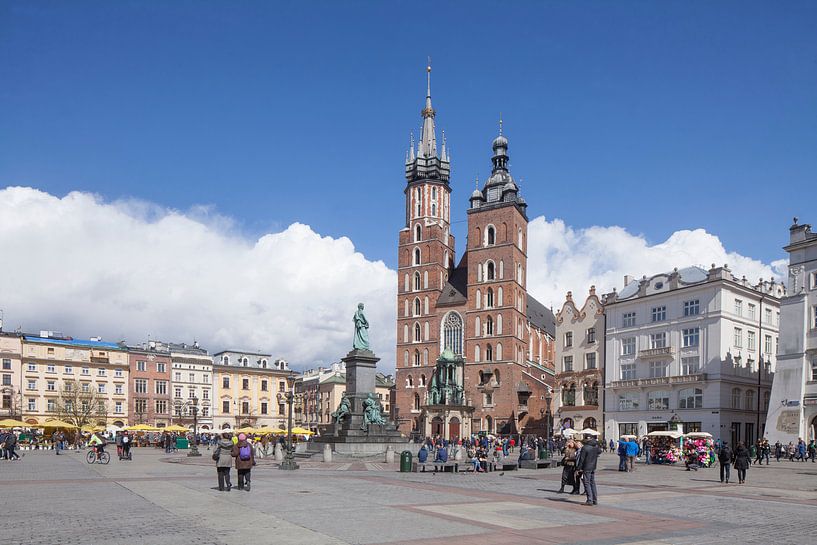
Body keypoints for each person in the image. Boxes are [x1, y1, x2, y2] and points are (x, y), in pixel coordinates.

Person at [575, 435, 601, 506]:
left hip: (586, 467)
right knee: (592, 482)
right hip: (593, 466)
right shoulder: (595, 446)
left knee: (587, 483)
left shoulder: (585, 448)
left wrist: (578, 468)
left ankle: (589, 500)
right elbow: (600, 452)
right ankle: (595, 500)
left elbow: (582, 459)